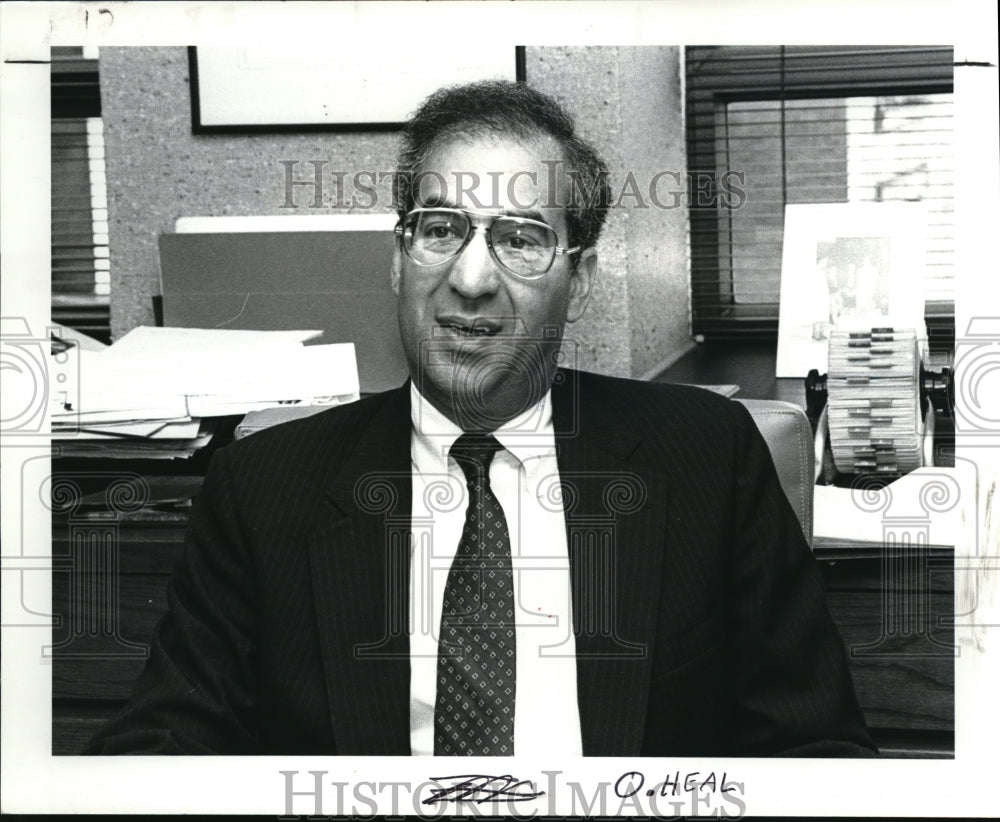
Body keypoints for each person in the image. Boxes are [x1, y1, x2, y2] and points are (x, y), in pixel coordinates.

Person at [86, 80, 875, 757]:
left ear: (583, 276)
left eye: (520, 240)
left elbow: (815, 746)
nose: (469, 278)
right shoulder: (262, 487)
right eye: (440, 229)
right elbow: (163, 750)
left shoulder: (707, 457)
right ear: (400, 258)